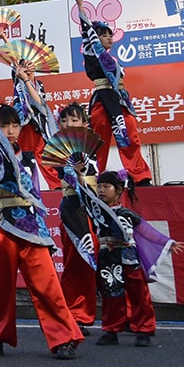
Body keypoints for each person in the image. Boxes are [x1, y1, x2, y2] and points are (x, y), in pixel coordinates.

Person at [0, 73, 82, 360]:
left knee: (47, 284)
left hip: (31, 227)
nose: (9, 130)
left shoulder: (32, 156)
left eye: (14, 125)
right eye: (3, 124)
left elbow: (50, 129)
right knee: (1, 288)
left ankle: (64, 338)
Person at [91, 170, 184, 346]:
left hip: (128, 258)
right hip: (108, 260)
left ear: (119, 190)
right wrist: (78, 175)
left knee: (139, 295)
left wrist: (167, 242)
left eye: (106, 186)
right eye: (99, 186)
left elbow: (146, 231)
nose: (101, 190)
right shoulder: (96, 211)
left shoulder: (127, 214)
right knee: (111, 296)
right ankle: (111, 330)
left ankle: (144, 330)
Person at [74, 0, 153, 184]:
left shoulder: (112, 60)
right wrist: (79, 4)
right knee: (98, 142)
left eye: (111, 35)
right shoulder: (93, 51)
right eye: (104, 35)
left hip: (118, 100)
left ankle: (139, 176)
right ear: (96, 39)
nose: (109, 38)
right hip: (102, 100)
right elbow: (87, 31)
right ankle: (93, 177)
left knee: (129, 135)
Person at [55, 104, 100, 334]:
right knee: (74, 264)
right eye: (64, 121)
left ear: (85, 123)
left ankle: (91, 313)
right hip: (73, 212)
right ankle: (73, 314)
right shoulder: (60, 151)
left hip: (95, 212)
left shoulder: (92, 148)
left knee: (95, 264)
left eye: (74, 121)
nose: (69, 125)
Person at [12, 66, 62, 190]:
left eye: (31, 67)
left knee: (47, 160)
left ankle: (58, 189)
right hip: (24, 128)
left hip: (40, 127)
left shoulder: (38, 85)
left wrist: (28, 81)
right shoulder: (18, 84)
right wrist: (21, 78)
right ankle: (25, 192)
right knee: (24, 165)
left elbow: (40, 105)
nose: (28, 70)